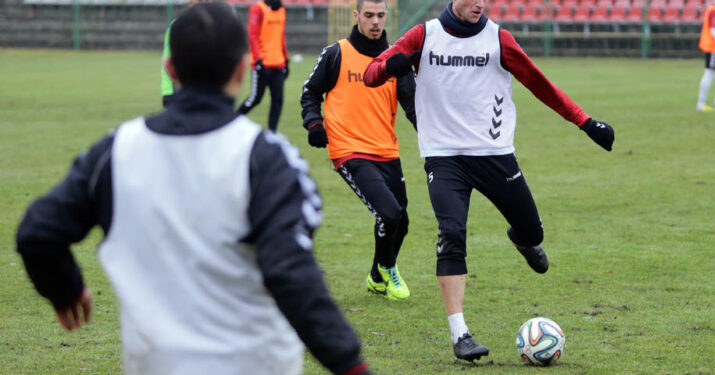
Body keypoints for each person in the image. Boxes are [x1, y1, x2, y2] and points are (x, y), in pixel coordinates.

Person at [16, 4, 372, 375]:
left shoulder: (115, 153)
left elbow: (37, 233)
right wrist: (351, 366)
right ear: (239, 70)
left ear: (170, 69)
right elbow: (293, 275)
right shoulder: (267, 159)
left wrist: (66, 289)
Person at [364, 0, 615, 362]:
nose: (480, 3)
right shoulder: (425, 35)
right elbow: (372, 73)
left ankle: (522, 239)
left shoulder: (499, 39)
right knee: (452, 233)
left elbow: (539, 84)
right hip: (444, 156)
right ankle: (460, 334)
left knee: (533, 232)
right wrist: (392, 65)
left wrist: (585, 122)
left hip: (494, 155)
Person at [300, 0, 416, 300]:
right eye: (369, 15)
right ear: (357, 16)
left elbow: (413, 107)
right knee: (389, 215)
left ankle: (376, 277)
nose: (375, 21)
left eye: (380, 15)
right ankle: (389, 269)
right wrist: (314, 124)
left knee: (401, 221)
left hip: (387, 150)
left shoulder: (395, 59)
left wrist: (437, 140)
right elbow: (310, 92)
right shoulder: (336, 53)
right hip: (349, 150)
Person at [237, 0, 289, 131]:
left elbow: (281, 35)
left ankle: (272, 133)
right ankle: (233, 120)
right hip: (262, 64)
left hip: (278, 63)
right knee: (255, 98)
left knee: (278, 100)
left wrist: (286, 58)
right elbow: (252, 35)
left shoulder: (281, 9)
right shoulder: (257, 9)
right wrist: (258, 60)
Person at [160, 0, 217, 107]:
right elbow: (169, 60)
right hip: (178, 91)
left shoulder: (216, 26)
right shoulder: (179, 25)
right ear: (191, 2)